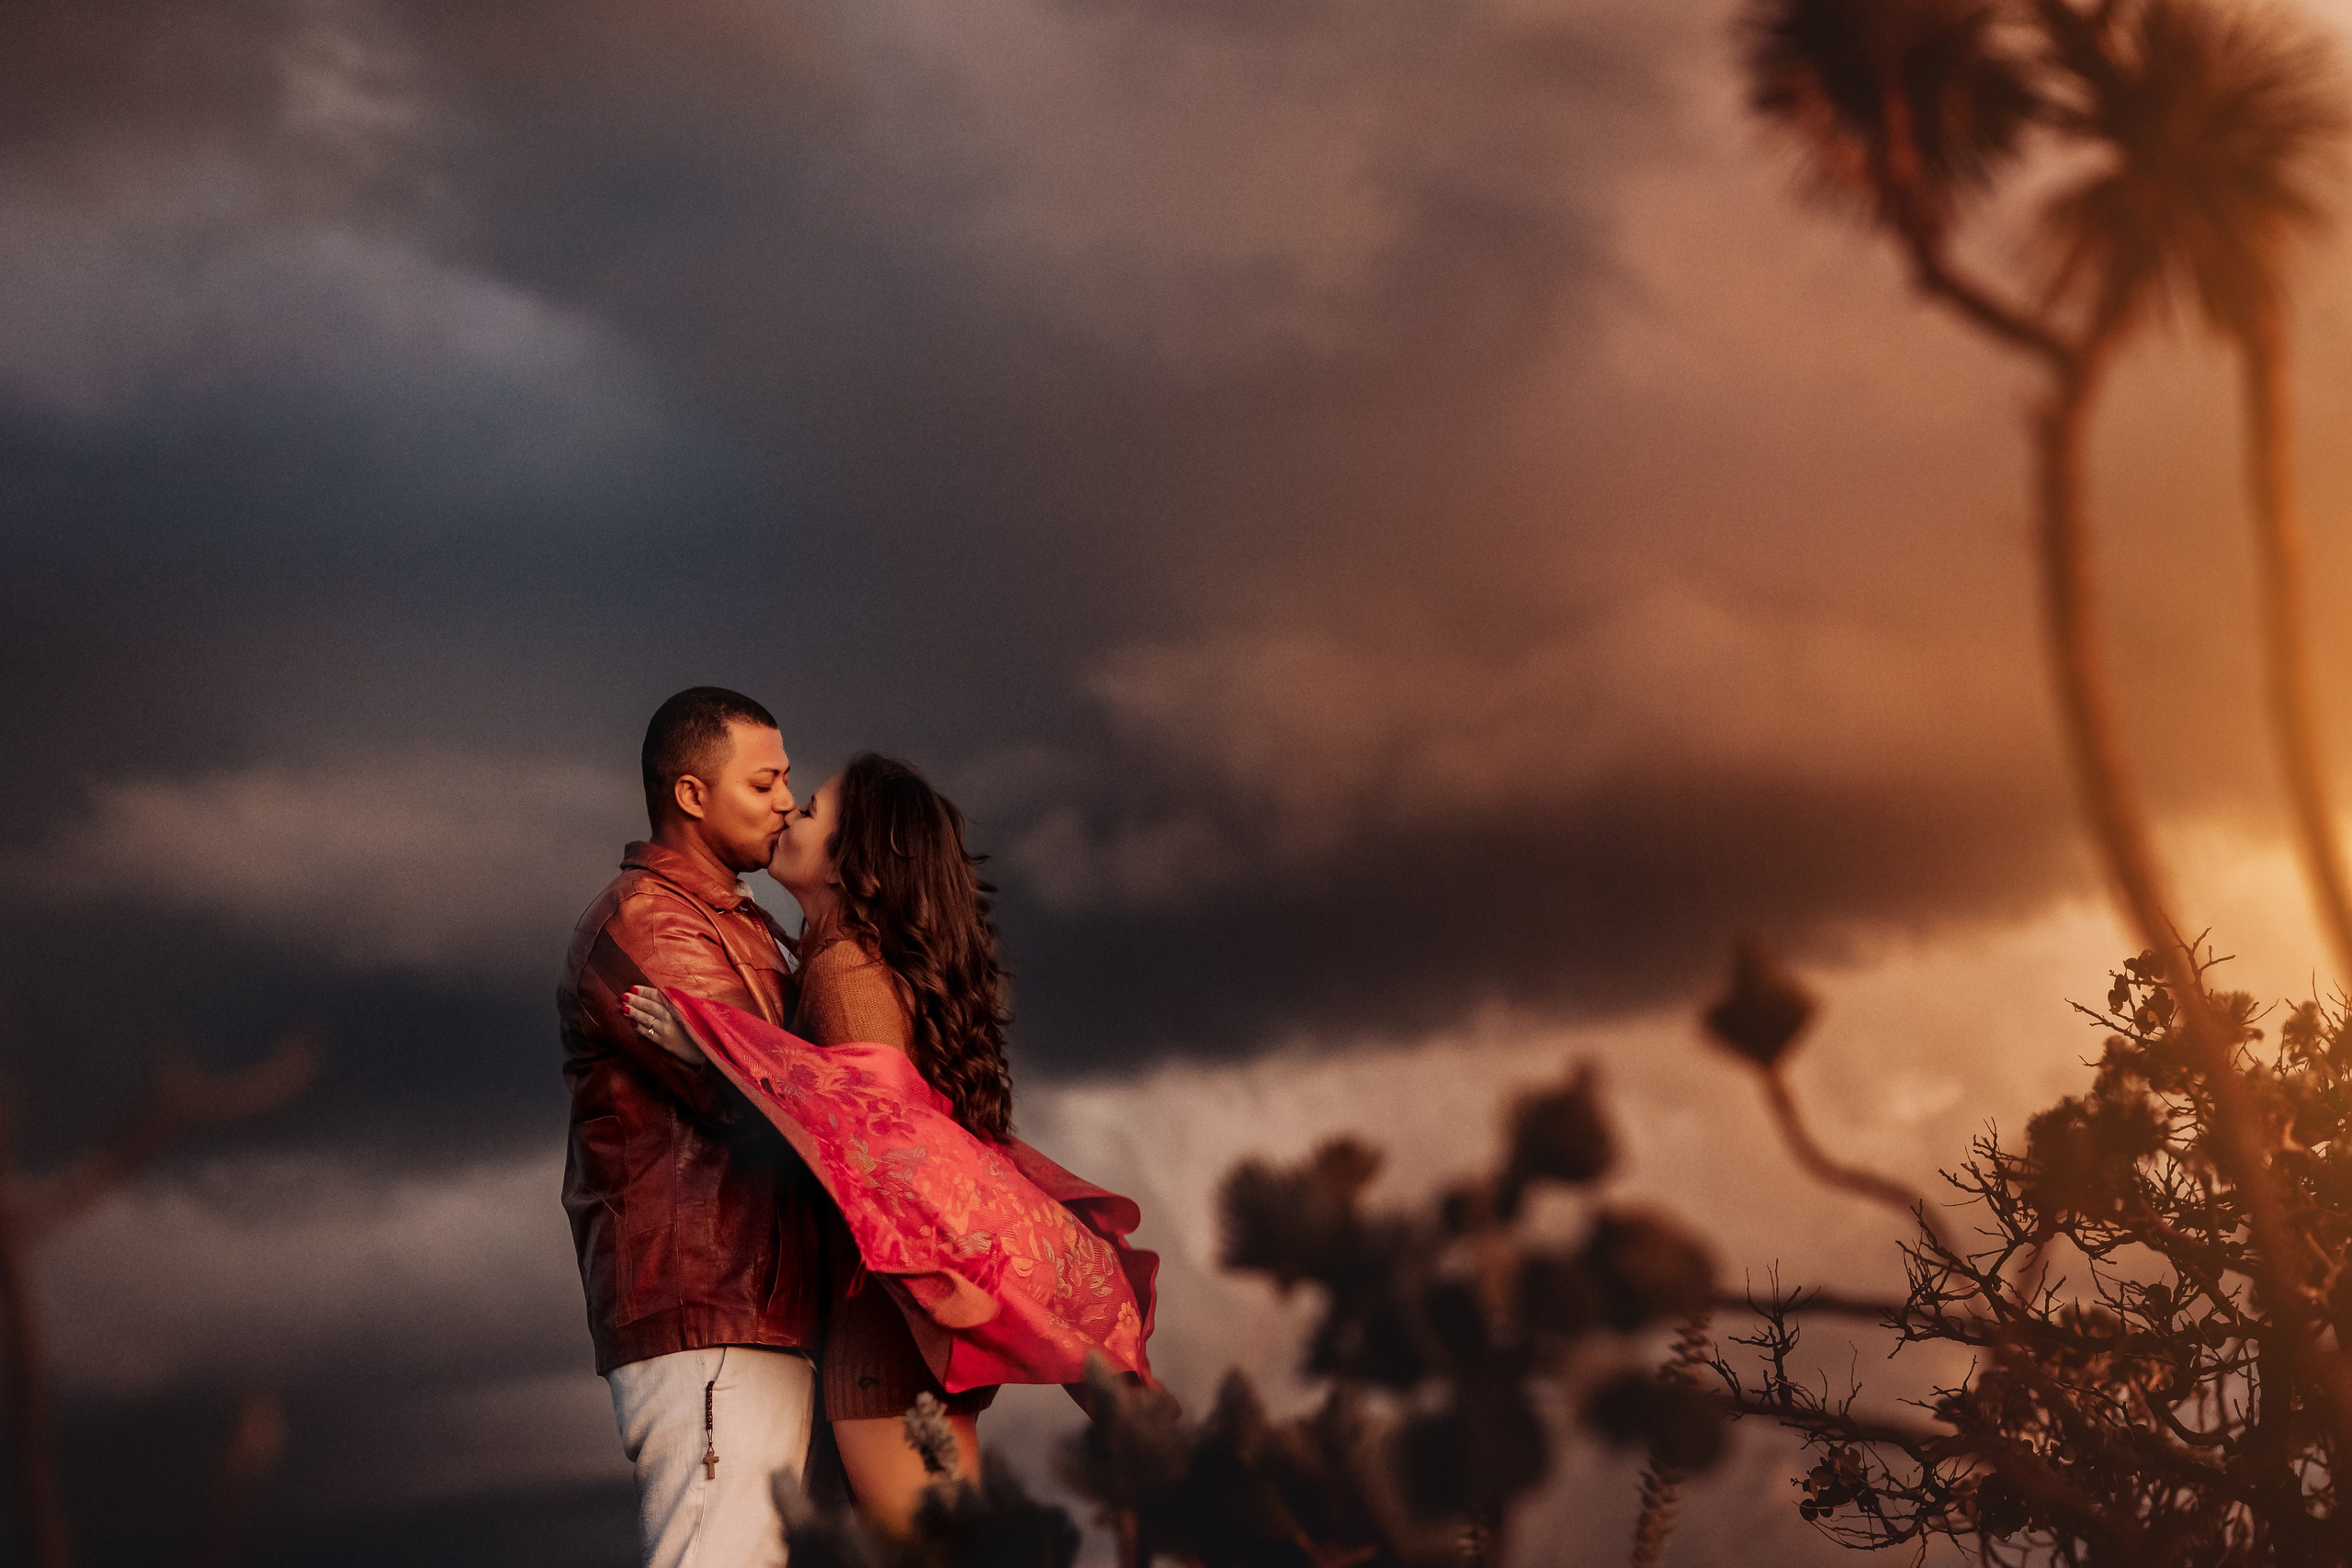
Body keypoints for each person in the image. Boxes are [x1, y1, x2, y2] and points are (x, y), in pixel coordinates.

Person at [625, 753, 1157, 1536]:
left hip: (883, 1333)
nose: (787, 811)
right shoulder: (855, 962)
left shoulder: (845, 972)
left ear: (852, 862)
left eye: (809, 810)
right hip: (900, 1330)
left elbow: (874, 1130)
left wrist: (716, 1047)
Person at [559, 687, 823, 1568]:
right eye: (764, 782)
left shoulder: (745, 925)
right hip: (711, 1317)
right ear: (691, 794)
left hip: (760, 1314)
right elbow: (758, 1095)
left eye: (786, 780)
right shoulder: (647, 922)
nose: (787, 801)